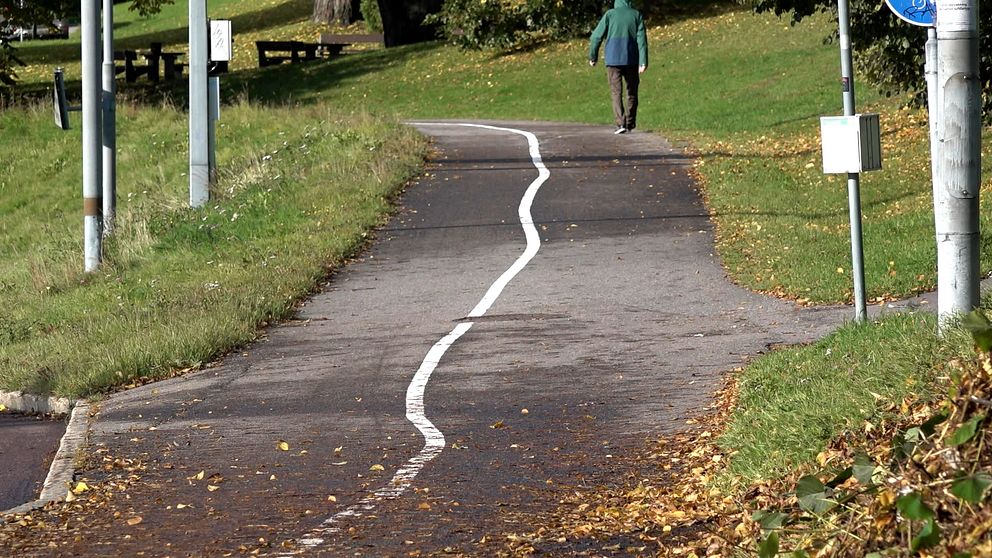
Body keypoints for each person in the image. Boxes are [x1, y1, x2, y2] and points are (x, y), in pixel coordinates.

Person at [588, 0, 648, 135]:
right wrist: (643, 61)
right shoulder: (636, 15)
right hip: (631, 59)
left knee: (616, 92)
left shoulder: (610, 15)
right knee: (631, 92)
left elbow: (596, 37)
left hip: (613, 59)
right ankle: (630, 123)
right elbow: (642, 40)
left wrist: (593, 56)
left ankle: (620, 123)